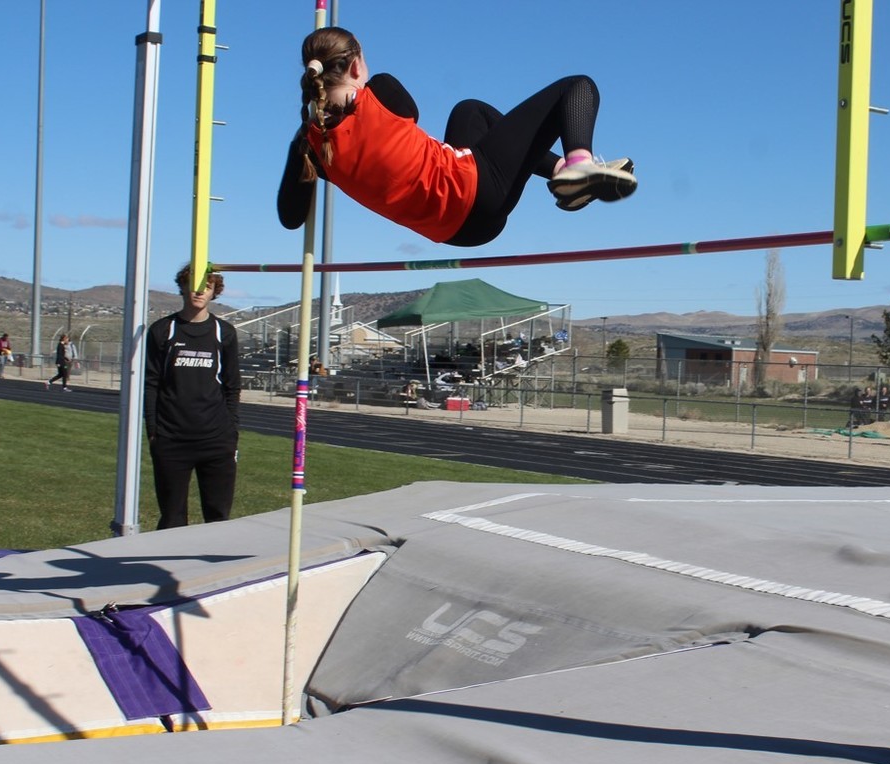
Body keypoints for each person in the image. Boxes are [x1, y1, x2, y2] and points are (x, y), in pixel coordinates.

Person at [277, 27, 637, 247]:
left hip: (458, 234)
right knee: (577, 88)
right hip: (474, 192)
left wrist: (302, 142)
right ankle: (579, 163)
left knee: (470, 111)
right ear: (357, 66)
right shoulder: (382, 90)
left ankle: (561, 169)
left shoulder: (309, 145)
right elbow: (408, 111)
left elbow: (291, 218)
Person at [144, 264, 241, 530]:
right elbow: (151, 384)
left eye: (207, 287)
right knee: (172, 519)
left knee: (218, 518)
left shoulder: (225, 333)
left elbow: (232, 387)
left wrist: (231, 430)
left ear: (214, 292)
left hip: (216, 440)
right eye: (194, 286)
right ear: (183, 287)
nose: (200, 292)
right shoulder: (163, 330)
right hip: (172, 440)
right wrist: (153, 431)